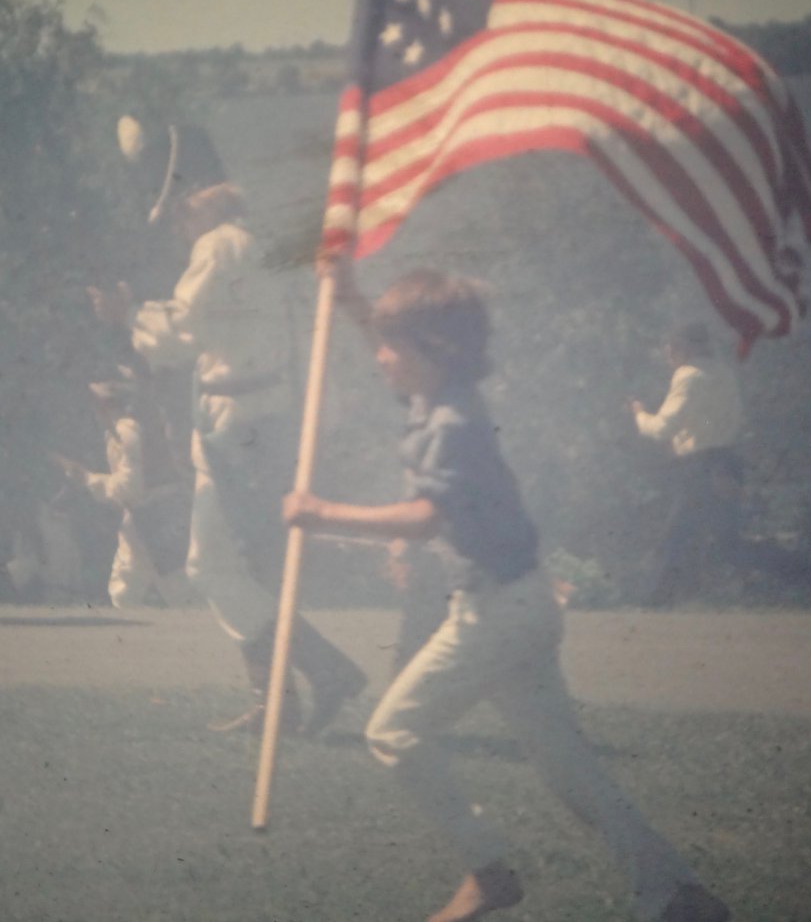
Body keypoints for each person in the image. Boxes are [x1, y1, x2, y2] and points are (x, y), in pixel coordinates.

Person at [284, 265, 730, 922]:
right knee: (569, 771)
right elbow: (402, 356)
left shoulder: (453, 423)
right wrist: (352, 301)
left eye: (390, 346)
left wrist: (322, 514)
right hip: (520, 605)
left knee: (394, 731)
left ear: (431, 351)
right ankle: (676, 893)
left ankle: (488, 870)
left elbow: (424, 515)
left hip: (495, 614)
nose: (378, 359)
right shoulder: (440, 397)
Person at [92, 181, 365, 736]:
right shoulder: (276, 251)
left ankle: (324, 670)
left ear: (207, 206)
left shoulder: (220, 245)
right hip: (272, 419)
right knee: (243, 565)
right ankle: (277, 705)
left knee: (213, 565)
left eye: (183, 212)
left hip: (241, 424)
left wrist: (126, 318)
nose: (179, 225)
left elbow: (180, 333)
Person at [629, 324, 811, 607]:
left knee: (675, 538)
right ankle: (810, 570)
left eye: (673, 345)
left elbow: (662, 427)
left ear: (689, 346)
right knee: (727, 546)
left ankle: (651, 606)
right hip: (724, 461)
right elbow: (711, 422)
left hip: (701, 467)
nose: (668, 352)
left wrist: (639, 415)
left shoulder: (687, 375)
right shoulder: (723, 373)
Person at [51, 369, 189, 608]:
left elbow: (130, 487)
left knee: (170, 587)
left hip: (155, 514)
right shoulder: (125, 429)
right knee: (130, 586)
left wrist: (86, 479)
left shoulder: (126, 430)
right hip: (145, 516)